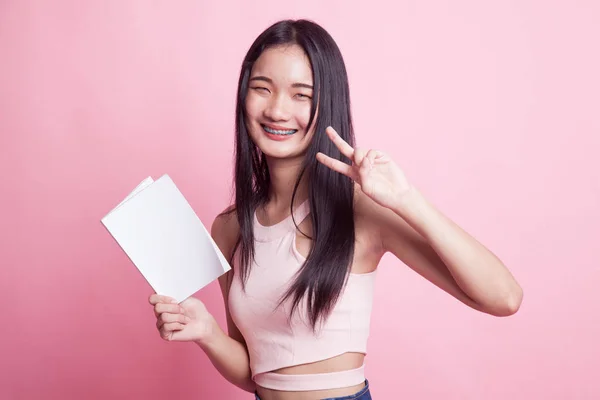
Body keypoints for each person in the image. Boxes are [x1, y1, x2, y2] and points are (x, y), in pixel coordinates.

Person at [148, 19, 523, 400]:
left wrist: (408, 201)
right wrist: (206, 332)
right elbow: (255, 371)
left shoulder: (361, 211)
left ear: (328, 104)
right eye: (262, 88)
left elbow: (504, 298)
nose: (277, 110)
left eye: (301, 95)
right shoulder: (230, 227)